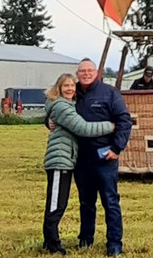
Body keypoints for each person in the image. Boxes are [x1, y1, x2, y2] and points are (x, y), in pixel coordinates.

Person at [42, 73, 116, 255]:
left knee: (58, 202)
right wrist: (112, 126)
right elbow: (83, 128)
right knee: (56, 204)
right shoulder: (61, 106)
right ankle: (53, 245)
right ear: (58, 88)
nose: (69, 89)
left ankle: (49, 241)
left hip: (67, 159)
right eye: (65, 86)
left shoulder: (66, 105)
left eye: (72, 86)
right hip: (60, 160)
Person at [74, 58, 132, 256]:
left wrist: (117, 148)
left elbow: (124, 120)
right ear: (77, 74)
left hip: (104, 157)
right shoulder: (71, 93)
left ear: (97, 72)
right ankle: (85, 239)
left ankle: (114, 244)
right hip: (81, 158)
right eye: (82, 71)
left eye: (90, 70)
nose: (86, 74)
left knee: (110, 201)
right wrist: (50, 122)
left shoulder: (109, 93)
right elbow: (55, 110)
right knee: (85, 202)